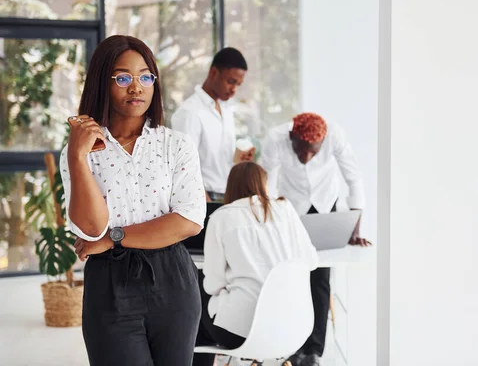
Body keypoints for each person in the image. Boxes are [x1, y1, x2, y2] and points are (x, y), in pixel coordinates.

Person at [60, 35, 206, 366]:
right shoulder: (81, 152)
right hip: (109, 289)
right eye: (123, 78)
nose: (136, 87)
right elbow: (91, 226)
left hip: (174, 283)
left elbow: (189, 220)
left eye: (145, 77)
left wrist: (115, 239)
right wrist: (78, 157)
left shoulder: (175, 145)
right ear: (102, 81)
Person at [260, 112, 371, 366]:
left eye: (313, 152)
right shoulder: (276, 138)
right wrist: (269, 219)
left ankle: (314, 352)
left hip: (325, 206)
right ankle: (292, 346)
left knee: (320, 280)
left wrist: (355, 228)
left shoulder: (335, 135)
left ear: (323, 143)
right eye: (300, 151)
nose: (306, 157)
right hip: (290, 209)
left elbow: (353, 178)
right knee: (292, 278)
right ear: (291, 138)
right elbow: (266, 180)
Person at [194, 161, 318, 366]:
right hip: (295, 329)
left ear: (230, 186)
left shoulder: (221, 217)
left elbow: (212, 285)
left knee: (195, 302)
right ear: (263, 184)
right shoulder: (285, 208)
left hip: (242, 333)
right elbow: (311, 261)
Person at [171, 47, 252, 204]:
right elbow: (183, 164)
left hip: (229, 194)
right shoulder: (189, 112)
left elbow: (218, 156)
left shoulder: (227, 109)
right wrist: (201, 196)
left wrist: (240, 159)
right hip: (206, 197)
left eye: (238, 84)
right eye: (231, 82)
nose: (234, 90)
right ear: (213, 72)